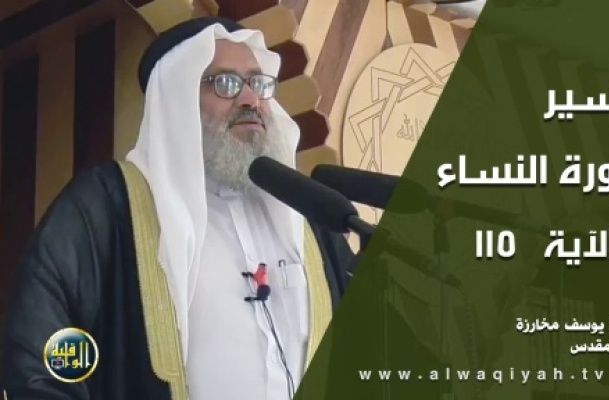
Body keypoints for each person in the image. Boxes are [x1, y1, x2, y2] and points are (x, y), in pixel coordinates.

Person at [1, 17, 356, 400]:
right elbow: (41, 352)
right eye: (226, 84)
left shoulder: (309, 219)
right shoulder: (105, 207)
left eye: (258, 84)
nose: (250, 100)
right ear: (178, 99)